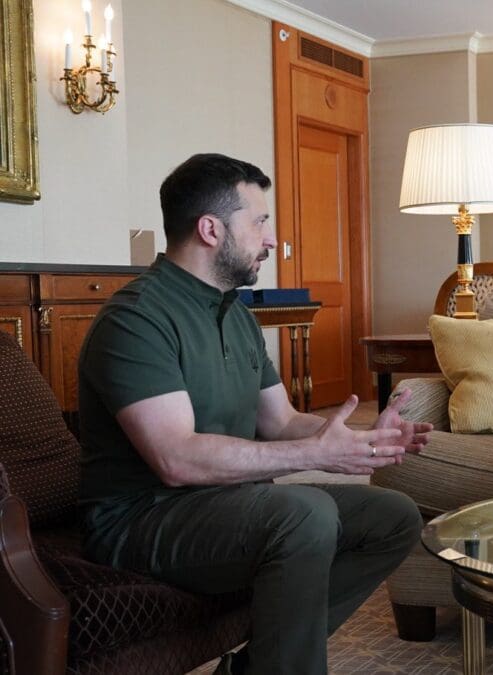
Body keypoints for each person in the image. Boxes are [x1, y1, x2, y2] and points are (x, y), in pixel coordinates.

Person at [77, 153, 431, 675]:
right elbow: (176, 459)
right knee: (303, 514)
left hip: (226, 503)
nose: (270, 239)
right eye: (260, 221)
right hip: (141, 519)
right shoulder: (136, 320)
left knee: (393, 516)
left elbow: (282, 421)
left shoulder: (235, 314)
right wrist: (313, 455)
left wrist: (357, 440)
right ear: (210, 230)